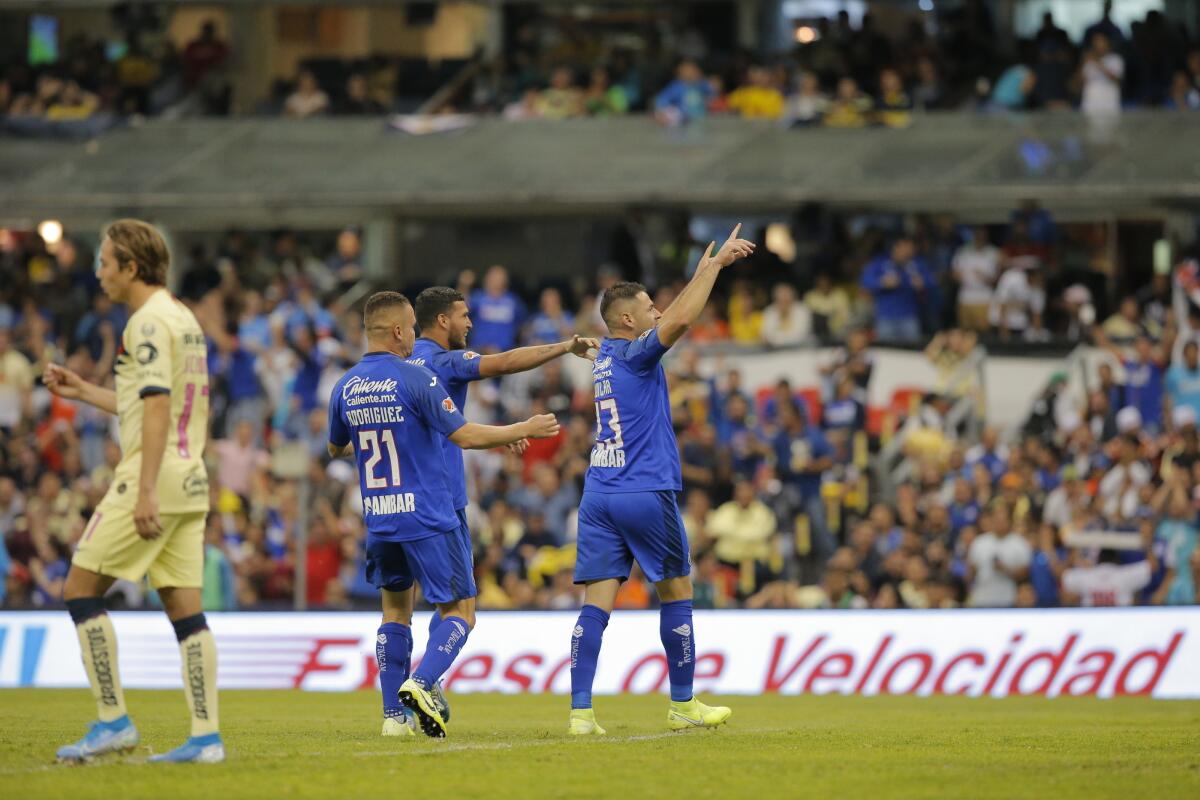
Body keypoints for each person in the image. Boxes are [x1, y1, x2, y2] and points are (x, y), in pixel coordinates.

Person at [327, 291, 559, 738]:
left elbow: (337, 447)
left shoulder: (346, 385)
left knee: (394, 613)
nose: (415, 334)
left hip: (380, 516)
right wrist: (524, 427)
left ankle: (393, 719)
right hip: (429, 515)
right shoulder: (417, 378)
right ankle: (424, 680)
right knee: (461, 611)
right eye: (412, 326)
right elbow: (466, 436)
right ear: (398, 331)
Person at [43, 220, 223, 763]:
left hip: (154, 477)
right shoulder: (182, 319)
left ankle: (112, 720)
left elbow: (156, 404)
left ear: (130, 267)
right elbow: (145, 396)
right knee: (185, 609)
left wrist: (144, 491)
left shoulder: (146, 323)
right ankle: (205, 736)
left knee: (79, 590)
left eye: (104, 262)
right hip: (190, 477)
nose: (98, 272)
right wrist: (84, 392)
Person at [568, 224, 754, 735]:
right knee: (677, 592)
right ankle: (684, 704)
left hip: (599, 492)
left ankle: (581, 713)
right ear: (628, 320)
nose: (658, 313)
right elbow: (683, 320)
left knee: (595, 606)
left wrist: (703, 268)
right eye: (650, 308)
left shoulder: (605, 357)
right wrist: (713, 270)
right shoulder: (634, 352)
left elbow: (668, 315)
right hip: (644, 489)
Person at [405, 285, 597, 722]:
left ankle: (402, 706)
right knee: (465, 611)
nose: (470, 323)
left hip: (397, 502)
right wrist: (565, 346)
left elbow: (447, 425)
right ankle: (422, 681)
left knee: (417, 608)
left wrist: (504, 433)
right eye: (464, 315)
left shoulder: (403, 367)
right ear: (442, 322)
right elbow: (507, 361)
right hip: (442, 501)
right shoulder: (446, 361)